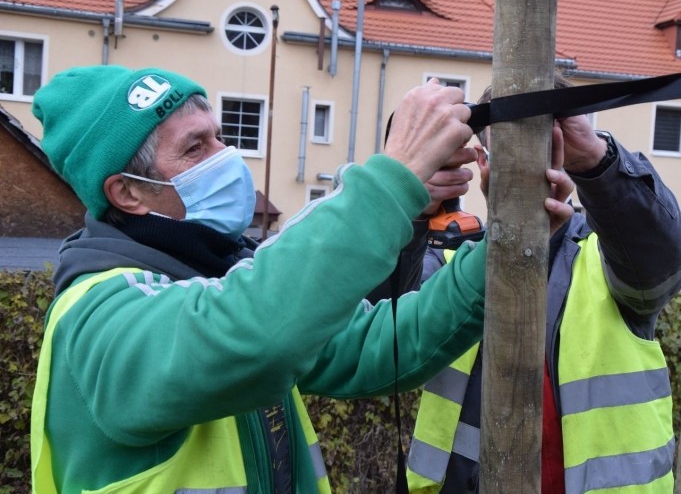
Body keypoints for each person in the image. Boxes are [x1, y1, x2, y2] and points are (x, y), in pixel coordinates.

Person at [29, 65, 573, 494]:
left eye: (218, 137)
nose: (227, 156)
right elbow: (254, 329)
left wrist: (505, 241)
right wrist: (394, 177)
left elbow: (382, 344)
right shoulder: (99, 313)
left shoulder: (216, 278)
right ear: (126, 193)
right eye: (195, 149)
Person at [406, 79, 681, 494]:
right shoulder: (457, 262)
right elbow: (381, 328)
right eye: (508, 153)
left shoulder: (608, 257)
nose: (527, 170)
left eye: (543, 150)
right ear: (483, 162)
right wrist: (410, 206)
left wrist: (597, 160)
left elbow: (667, 258)